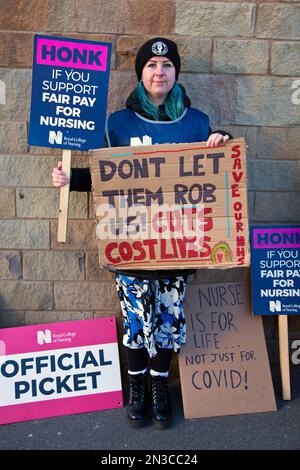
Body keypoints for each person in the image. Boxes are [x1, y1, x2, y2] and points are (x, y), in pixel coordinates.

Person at [52, 37, 231, 429]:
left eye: (167, 66)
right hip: (131, 242)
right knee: (135, 319)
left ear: (175, 73)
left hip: (179, 244)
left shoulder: (198, 122)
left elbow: (218, 176)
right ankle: (137, 387)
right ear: (141, 73)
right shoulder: (117, 123)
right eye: (151, 65)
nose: (159, 72)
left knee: (167, 318)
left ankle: (160, 386)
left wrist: (223, 144)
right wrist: (71, 179)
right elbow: (104, 177)